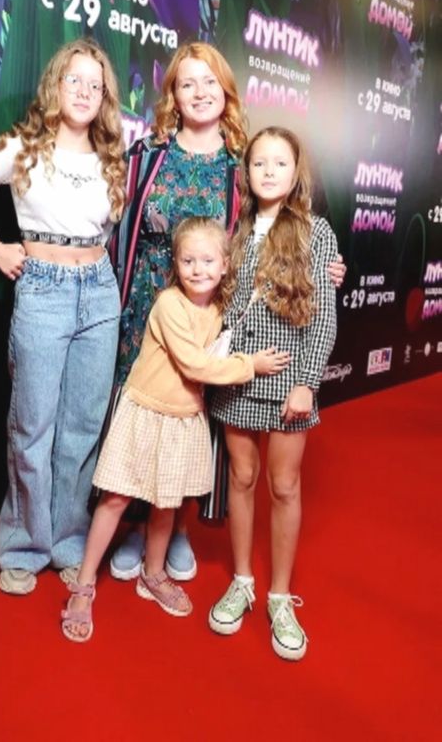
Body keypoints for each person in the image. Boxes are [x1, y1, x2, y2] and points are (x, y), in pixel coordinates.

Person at [108, 41, 346, 582]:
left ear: (226, 91)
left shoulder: (239, 165)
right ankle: (139, 524)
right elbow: (116, 226)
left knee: (194, 418)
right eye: (186, 83)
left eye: (209, 81)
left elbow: (279, 233)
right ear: (172, 94)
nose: (199, 92)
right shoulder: (147, 154)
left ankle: (179, 525)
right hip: (147, 305)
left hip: (213, 312)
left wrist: (327, 266)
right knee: (145, 411)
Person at [0, 39, 126, 594]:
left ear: (105, 96)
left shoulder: (112, 158)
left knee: (82, 428)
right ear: (55, 86)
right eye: (75, 80)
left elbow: (112, 231)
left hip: (99, 292)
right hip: (43, 289)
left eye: (95, 84)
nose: (85, 92)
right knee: (32, 426)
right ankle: (23, 545)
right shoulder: (23, 148)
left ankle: (68, 541)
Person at [60, 217, 291, 642]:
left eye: (208, 261)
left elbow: (263, 289)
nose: (197, 269)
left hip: (184, 418)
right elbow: (194, 365)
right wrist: (250, 366)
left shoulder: (221, 309)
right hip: (146, 413)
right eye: (188, 260)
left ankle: (153, 574)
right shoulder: (169, 304)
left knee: (167, 503)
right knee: (115, 498)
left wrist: (329, 268)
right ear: (176, 264)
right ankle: (84, 583)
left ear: (225, 265)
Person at [207, 126, 338, 661]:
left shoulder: (316, 232)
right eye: (259, 162)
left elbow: (324, 317)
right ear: (247, 172)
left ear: (295, 171)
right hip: (240, 375)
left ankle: (280, 596)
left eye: (279, 163)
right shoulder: (234, 230)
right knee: (241, 478)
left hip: (289, 381)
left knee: (283, 485)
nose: (268, 171)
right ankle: (242, 580)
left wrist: (307, 382)